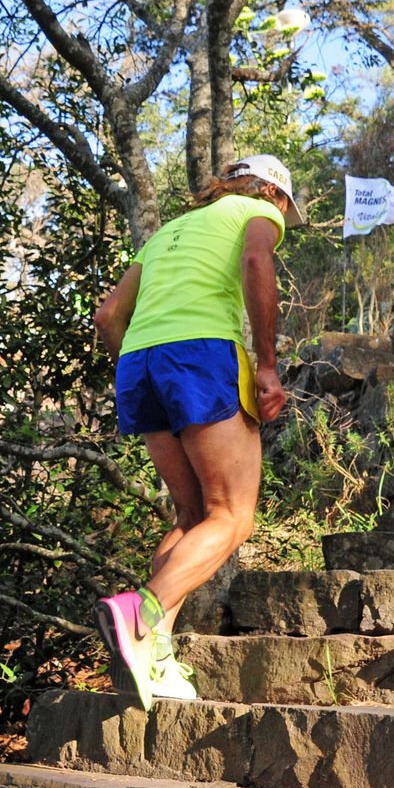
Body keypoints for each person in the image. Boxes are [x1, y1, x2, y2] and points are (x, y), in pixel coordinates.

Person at [92, 154, 304, 711]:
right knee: (233, 516)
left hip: (139, 362)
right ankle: (141, 613)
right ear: (273, 193)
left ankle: (152, 652)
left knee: (191, 518)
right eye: (286, 206)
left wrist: (143, 368)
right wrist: (266, 365)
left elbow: (110, 314)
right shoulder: (258, 211)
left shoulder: (168, 231)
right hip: (202, 354)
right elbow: (258, 264)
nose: (283, 219)